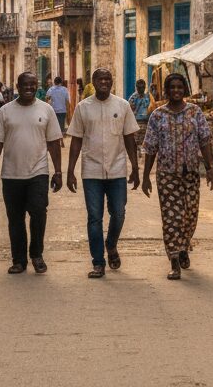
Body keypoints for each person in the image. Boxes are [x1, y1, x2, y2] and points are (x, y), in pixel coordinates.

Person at [0, 72, 64, 274]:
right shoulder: (5, 111)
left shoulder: (46, 110)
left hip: (38, 172)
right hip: (11, 174)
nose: (29, 88)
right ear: (17, 86)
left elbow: (54, 142)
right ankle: (19, 260)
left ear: (36, 86)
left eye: (33, 84)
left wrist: (58, 171)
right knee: (15, 218)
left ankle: (37, 254)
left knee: (39, 212)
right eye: (25, 85)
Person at [66, 68, 139, 279]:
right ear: (94, 82)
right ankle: (98, 262)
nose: (104, 82)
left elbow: (129, 138)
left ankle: (111, 244)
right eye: (100, 79)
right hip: (91, 171)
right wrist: (70, 171)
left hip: (117, 170)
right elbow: (76, 140)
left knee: (119, 213)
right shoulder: (83, 108)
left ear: (112, 82)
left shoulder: (122, 106)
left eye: (108, 78)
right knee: (94, 218)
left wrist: (134, 167)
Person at [141, 73, 213, 280]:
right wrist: (146, 176)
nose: (176, 91)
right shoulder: (158, 115)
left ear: (185, 90)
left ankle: (183, 246)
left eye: (179, 87)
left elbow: (205, 140)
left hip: (190, 173)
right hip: (167, 175)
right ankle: (174, 259)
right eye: (172, 87)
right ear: (166, 90)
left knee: (190, 216)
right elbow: (150, 146)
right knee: (171, 217)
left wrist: (210, 168)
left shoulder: (195, 112)